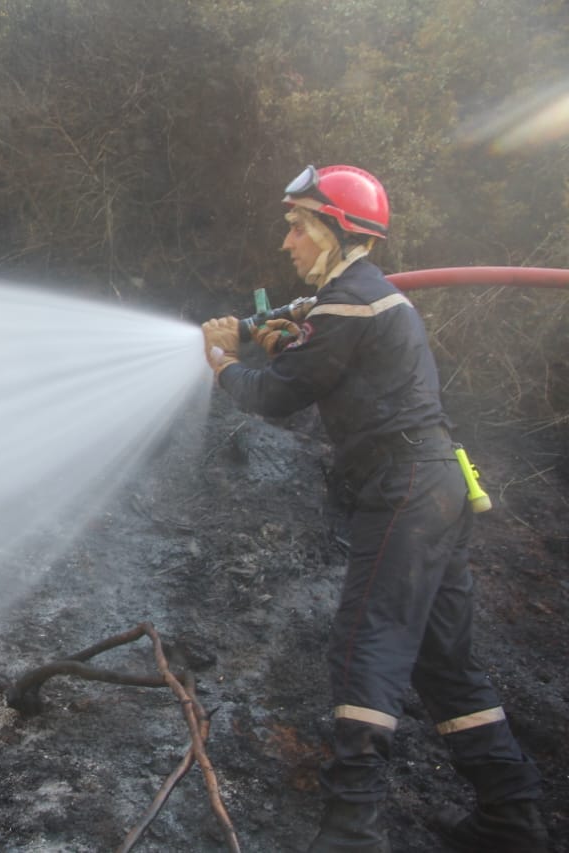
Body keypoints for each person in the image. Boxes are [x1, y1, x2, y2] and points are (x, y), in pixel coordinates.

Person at [200, 165, 547, 853]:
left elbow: (277, 396)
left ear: (336, 230)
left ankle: (350, 831)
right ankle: (511, 814)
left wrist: (223, 362)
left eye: (298, 227)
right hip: (437, 484)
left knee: (366, 641)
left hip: (402, 488)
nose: (287, 242)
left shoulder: (349, 302)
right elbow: (325, 367)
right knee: (443, 662)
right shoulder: (360, 301)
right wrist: (277, 341)